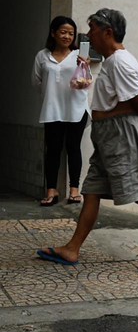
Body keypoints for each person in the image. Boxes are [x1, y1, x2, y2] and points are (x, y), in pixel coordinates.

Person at [36, 8, 138, 270]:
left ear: (108, 32)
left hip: (119, 135)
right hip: (109, 135)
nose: (88, 34)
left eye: (92, 28)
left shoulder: (119, 61)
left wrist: (133, 123)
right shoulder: (113, 61)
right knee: (91, 190)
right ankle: (71, 249)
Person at [31, 16, 90, 206]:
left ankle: (74, 189)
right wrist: (52, 96)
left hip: (76, 109)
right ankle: (52, 190)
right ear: (53, 32)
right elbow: (37, 82)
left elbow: (85, 83)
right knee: (53, 151)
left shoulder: (78, 55)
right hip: (52, 110)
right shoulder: (42, 56)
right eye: (63, 32)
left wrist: (85, 66)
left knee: (73, 148)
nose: (67, 36)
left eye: (71, 33)